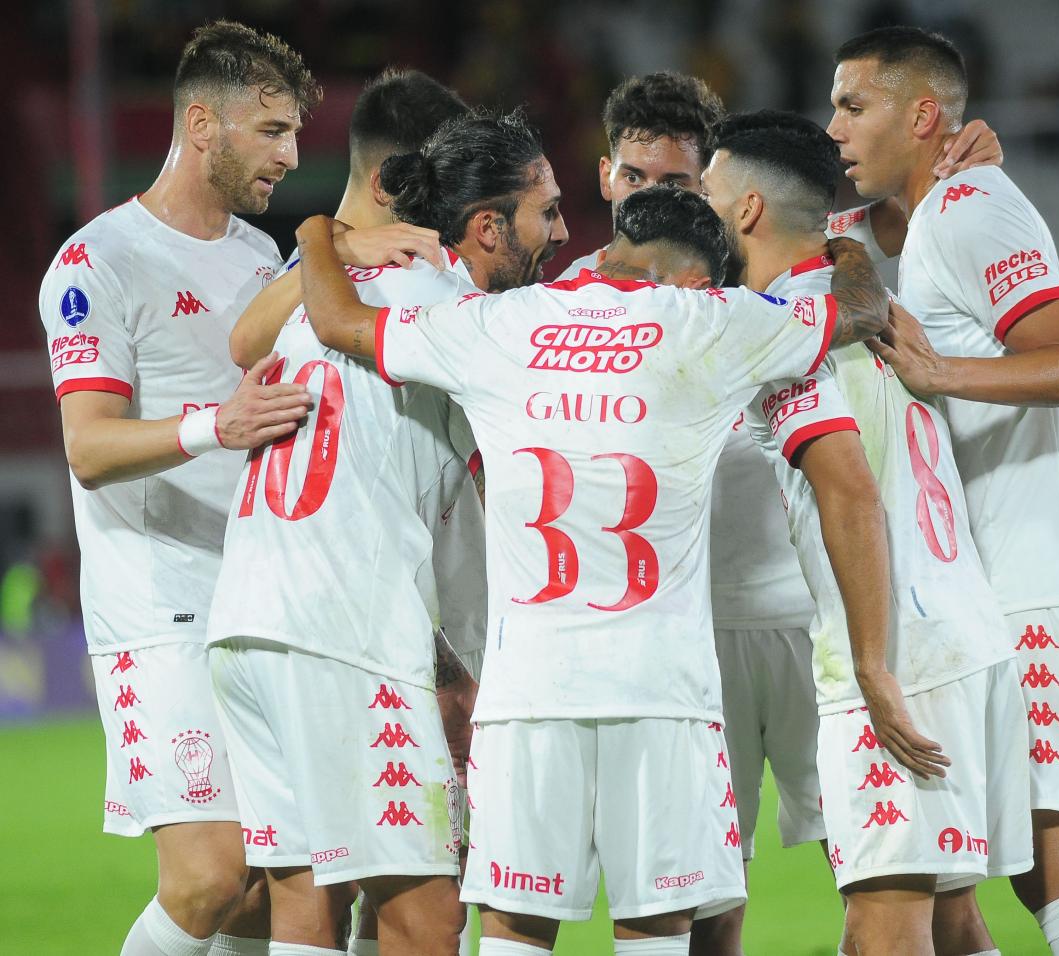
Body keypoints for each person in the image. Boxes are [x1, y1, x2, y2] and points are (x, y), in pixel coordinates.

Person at [294, 182, 888, 956]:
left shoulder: (498, 323)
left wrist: (315, 231)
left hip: (529, 691)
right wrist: (845, 248)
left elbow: (338, 322)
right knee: (654, 928)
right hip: (664, 692)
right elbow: (862, 310)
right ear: (697, 281)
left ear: (606, 253)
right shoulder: (712, 322)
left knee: (515, 929)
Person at [560, 70, 1003, 956]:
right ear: (607, 176)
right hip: (709, 628)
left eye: (687, 186)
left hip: (835, 624)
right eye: (635, 179)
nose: (659, 201)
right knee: (740, 885)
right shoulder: (576, 297)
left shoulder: (785, 314)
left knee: (897, 899)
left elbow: (847, 487)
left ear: (730, 200)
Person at [827, 25, 1059, 956]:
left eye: (854, 104)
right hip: (1015, 577)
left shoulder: (972, 206)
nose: (837, 126)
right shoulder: (933, 215)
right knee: (1020, 860)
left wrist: (943, 377)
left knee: (1057, 856)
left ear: (922, 114)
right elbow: (859, 239)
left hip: (1051, 573)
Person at [704, 108, 1031, 956]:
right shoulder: (878, 309)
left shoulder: (790, 337)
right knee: (951, 923)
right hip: (964, 634)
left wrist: (874, 667)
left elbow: (849, 493)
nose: (693, 204)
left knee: (884, 929)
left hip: (900, 655)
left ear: (745, 211)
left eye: (705, 188)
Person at [36, 20, 319, 956]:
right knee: (208, 876)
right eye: (272, 130)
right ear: (204, 123)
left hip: (261, 600)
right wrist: (215, 425)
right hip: (159, 607)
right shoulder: (98, 262)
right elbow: (87, 445)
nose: (291, 153)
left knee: (269, 894)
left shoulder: (259, 261)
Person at [209, 71, 488, 956]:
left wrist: (323, 240)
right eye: (447, 188)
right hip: (343, 627)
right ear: (399, 186)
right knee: (425, 911)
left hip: (247, 624)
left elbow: (242, 341)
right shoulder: (422, 300)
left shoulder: (306, 295)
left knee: (306, 907)